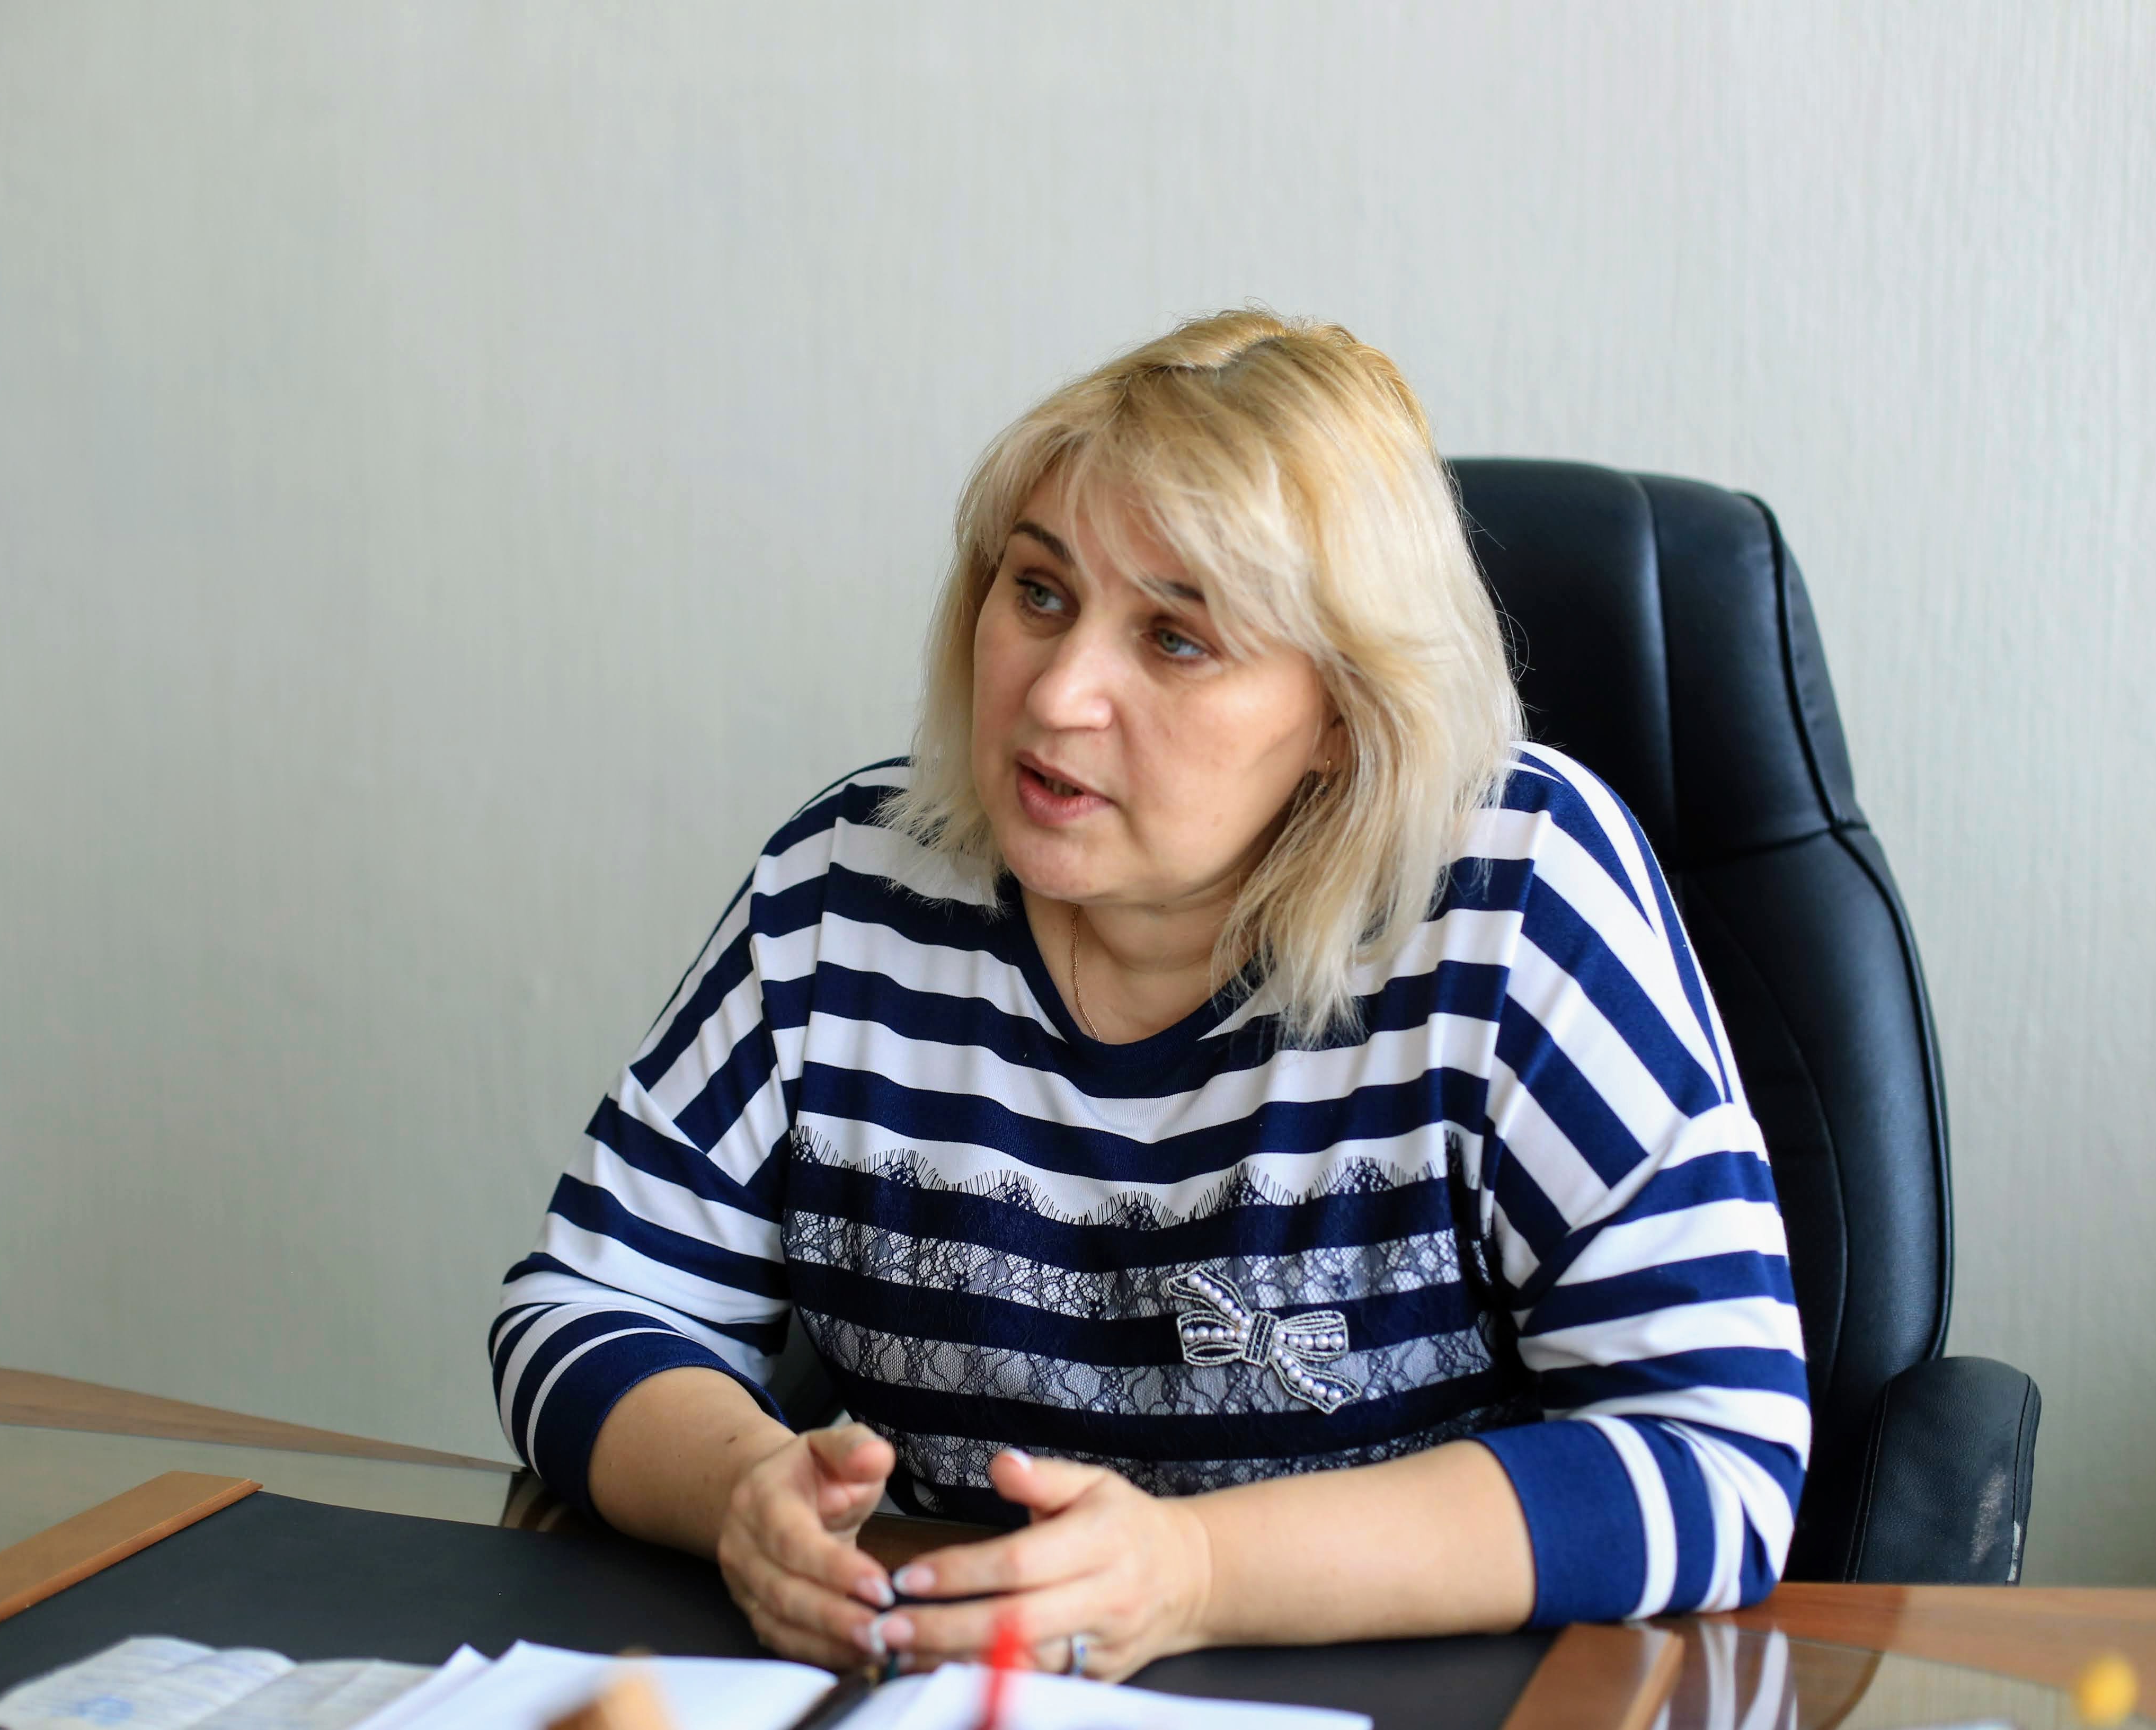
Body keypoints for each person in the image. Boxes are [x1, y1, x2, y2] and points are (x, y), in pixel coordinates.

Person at [490, 310, 1807, 1680]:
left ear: (1341, 714)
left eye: (1176, 639)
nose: (1058, 695)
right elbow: (577, 1310)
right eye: (1040, 592)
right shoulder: (846, 889)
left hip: (1399, 1693)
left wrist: (1196, 1572)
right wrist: (743, 1495)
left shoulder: (1506, 890)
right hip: (952, 1690)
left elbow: (1717, 1454)